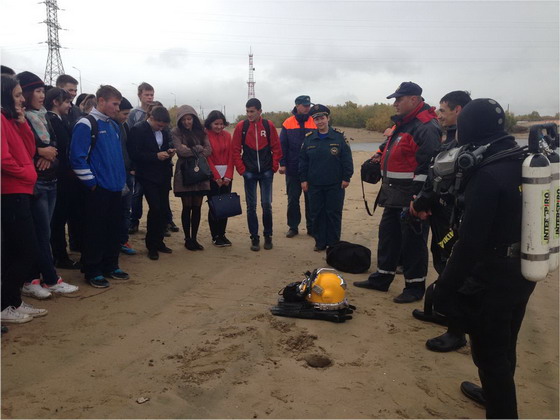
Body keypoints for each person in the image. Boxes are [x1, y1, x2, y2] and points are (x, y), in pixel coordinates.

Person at [432, 98, 536, 419]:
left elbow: (470, 242)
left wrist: (444, 289)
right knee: (506, 341)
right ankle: (492, 392)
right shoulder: (521, 160)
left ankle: (501, 407)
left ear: (470, 128)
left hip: (493, 275)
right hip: (524, 268)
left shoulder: (488, 174)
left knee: (490, 354)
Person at [354, 82, 441, 303]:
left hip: (410, 196)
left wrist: (418, 200)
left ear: (413, 99)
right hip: (392, 194)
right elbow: (389, 147)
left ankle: (414, 286)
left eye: (398, 100)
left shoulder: (425, 126)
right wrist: (377, 158)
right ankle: (382, 278)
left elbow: (427, 168)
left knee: (412, 243)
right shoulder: (404, 124)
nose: (394, 104)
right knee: (388, 237)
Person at [411, 90, 472, 352]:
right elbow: (435, 175)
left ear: (458, 110)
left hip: (454, 219)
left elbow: (443, 180)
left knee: (453, 267)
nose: (438, 115)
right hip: (440, 213)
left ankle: (456, 331)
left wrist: (422, 203)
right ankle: (444, 312)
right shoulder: (450, 139)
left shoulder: (466, 144)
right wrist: (425, 204)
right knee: (442, 259)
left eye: (443, 111)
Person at [17, 71, 79, 298]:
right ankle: (46, 279)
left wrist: (48, 153)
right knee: (40, 233)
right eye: (37, 90)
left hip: (51, 178)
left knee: (44, 231)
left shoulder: (44, 116)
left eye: (43, 90)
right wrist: (39, 151)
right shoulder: (21, 117)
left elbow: (54, 141)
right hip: (36, 183)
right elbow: (21, 147)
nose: (41, 95)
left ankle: (41, 277)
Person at [70, 85, 128, 288]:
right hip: (98, 190)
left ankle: (111, 265)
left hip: (115, 188)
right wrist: (92, 184)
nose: (116, 108)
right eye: (114, 104)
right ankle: (92, 270)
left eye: (118, 104)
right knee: (95, 231)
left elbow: (118, 157)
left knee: (114, 229)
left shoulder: (113, 125)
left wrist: (121, 181)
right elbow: (77, 158)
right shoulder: (86, 123)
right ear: (101, 101)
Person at [1, 74, 47, 322]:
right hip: (11, 193)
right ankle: (4, 304)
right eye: (17, 95)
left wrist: (21, 123)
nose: (22, 100)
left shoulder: (10, 120)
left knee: (16, 251)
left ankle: (12, 302)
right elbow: (3, 158)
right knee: (27, 251)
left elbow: (29, 149)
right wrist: (25, 175)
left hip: (21, 191)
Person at [299, 104, 353, 251]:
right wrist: (303, 179)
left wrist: (346, 177)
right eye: (316, 119)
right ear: (313, 121)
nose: (320, 122)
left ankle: (334, 242)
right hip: (314, 184)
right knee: (316, 213)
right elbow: (303, 161)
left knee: (333, 213)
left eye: (322, 118)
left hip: (334, 184)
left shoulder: (339, 137)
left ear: (328, 118)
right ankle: (320, 241)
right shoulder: (309, 139)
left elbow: (347, 159)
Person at [232, 98, 282, 251]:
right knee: (251, 206)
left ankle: (268, 235)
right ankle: (254, 237)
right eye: (247, 111)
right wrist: (242, 170)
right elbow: (235, 150)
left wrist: (273, 167)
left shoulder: (268, 125)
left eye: (252, 111)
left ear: (260, 111)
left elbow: (276, 148)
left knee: (266, 205)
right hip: (250, 173)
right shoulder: (242, 126)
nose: (249, 114)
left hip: (266, 172)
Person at [128, 106, 175, 260]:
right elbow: (135, 153)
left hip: (164, 174)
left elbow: (167, 144)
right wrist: (155, 156)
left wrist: (169, 151)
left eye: (163, 126)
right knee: (155, 208)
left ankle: (159, 241)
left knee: (162, 209)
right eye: (158, 124)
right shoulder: (138, 129)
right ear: (151, 117)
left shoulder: (165, 131)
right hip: (147, 175)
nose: (160, 127)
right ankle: (151, 245)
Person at [45, 87, 81, 269]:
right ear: (55, 102)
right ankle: (59, 255)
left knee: (61, 217)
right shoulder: (51, 121)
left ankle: (60, 253)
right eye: (66, 102)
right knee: (57, 219)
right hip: (59, 177)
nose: (69, 105)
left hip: (65, 176)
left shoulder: (60, 120)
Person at [172, 105, 211, 251]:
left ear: (194, 118)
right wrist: (198, 148)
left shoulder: (201, 131)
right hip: (185, 173)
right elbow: (180, 151)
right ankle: (187, 238)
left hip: (200, 172)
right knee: (186, 206)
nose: (187, 122)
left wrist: (194, 149)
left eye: (189, 119)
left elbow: (208, 150)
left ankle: (194, 238)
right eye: (184, 119)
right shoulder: (176, 132)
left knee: (197, 207)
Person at [279, 95, 316, 238]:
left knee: (311, 199)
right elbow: (283, 145)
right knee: (293, 199)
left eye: (308, 105)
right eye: (304, 105)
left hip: (311, 168)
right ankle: (293, 227)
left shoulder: (314, 121)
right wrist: (282, 164)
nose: (307, 107)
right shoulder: (288, 123)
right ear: (297, 105)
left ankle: (311, 227)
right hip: (293, 168)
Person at [205, 110, 235, 247]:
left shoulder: (228, 136)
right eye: (216, 124)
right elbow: (207, 157)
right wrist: (216, 176)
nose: (219, 127)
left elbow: (231, 155)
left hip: (227, 176)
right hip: (213, 176)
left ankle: (222, 234)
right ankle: (215, 235)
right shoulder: (204, 136)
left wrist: (228, 175)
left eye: (221, 124)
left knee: (225, 206)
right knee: (214, 206)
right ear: (210, 124)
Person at [112, 97, 137, 256]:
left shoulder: (125, 125)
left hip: (127, 173)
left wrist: (132, 167)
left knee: (125, 210)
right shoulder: (110, 126)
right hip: (114, 175)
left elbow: (129, 148)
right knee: (114, 211)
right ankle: (114, 241)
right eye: (124, 113)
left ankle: (123, 240)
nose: (126, 117)